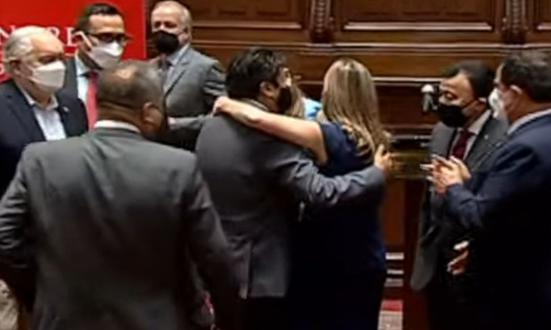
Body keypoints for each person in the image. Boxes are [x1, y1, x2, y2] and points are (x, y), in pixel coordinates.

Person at [0, 60, 240, 330]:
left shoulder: (40, 159)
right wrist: (227, 320)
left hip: (63, 319)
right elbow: (215, 259)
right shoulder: (178, 166)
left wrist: (42, 289)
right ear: (149, 112)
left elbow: (4, 237)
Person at [196, 48, 391, 330]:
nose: (292, 84)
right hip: (267, 273)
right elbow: (320, 192)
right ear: (267, 88)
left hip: (225, 262)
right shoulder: (271, 139)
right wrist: (374, 175)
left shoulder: (211, 128)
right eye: (285, 77)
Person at [432, 51, 551, 330]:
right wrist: (470, 184)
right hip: (549, 280)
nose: (494, 97)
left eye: (498, 88)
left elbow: (479, 216)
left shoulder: (528, 146)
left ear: (514, 93)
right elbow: (520, 210)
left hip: (525, 295)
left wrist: (453, 187)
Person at [0, 25, 88, 330]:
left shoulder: (73, 106)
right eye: (47, 59)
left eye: (61, 58)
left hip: (71, 250)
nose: (58, 67)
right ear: (15, 66)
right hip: (15, 250)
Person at [409, 61, 508, 330]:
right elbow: (429, 200)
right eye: (441, 93)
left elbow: (505, 201)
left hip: (477, 259)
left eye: (450, 97)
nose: (441, 102)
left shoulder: (507, 137)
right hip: (437, 259)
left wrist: (467, 183)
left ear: (479, 104)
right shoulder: (442, 131)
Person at [151, 0, 225, 150]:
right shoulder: (147, 67)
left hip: (190, 152)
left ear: (186, 33)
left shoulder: (206, 67)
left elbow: (223, 116)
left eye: (169, 25)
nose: (161, 30)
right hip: (152, 152)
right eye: (156, 25)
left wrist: (177, 124)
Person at [62, 3, 127, 128]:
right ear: (78, 39)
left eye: (120, 38)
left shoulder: (128, 79)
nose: (115, 45)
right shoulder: (56, 74)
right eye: (105, 37)